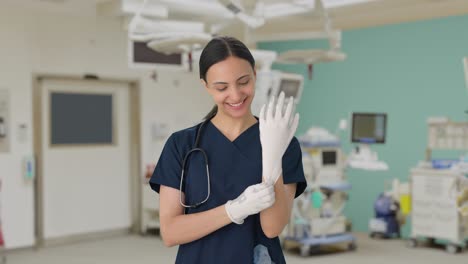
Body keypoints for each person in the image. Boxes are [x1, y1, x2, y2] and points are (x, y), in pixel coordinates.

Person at [149, 36, 306, 264]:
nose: (235, 95)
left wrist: (273, 156)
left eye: (243, 82)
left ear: (255, 74)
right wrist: (233, 210)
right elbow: (171, 232)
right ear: (205, 86)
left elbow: (272, 228)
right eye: (222, 87)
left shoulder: (283, 143)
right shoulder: (181, 145)